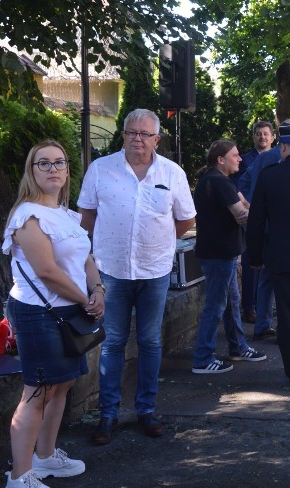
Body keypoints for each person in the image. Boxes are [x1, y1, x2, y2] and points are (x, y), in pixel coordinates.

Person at [78, 108, 196, 444]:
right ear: (123, 135)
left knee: (150, 341)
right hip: (111, 270)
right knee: (113, 342)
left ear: (157, 139)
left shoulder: (172, 173)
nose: (138, 139)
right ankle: (108, 414)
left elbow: (185, 219)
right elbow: (86, 217)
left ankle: (146, 410)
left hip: (154, 270)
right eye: (132, 133)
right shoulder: (101, 169)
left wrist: (159, 240)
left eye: (145, 134)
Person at [2, 141, 104, 487]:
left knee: (62, 385)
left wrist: (98, 289)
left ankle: (45, 458)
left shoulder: (65, 214)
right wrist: (84, 299)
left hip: (68, 311)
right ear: (31, 171)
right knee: (38, 392)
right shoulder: (26, 215)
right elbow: (46, 271)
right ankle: (19, 475)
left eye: (59, 163)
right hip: (37, 313)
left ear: (67, 169)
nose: (53, 169)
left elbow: (86, 258)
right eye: (43, 164)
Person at [247, 123, 290, 390]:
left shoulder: (269, 175)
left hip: (283, 257)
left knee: (289, 316)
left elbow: (256, 221)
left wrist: (255, 256)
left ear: (282, 147)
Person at [191, 140, 266, 375]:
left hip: (223, 253)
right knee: (216, 305)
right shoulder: (217, 182)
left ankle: (238, 347)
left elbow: (243, 204)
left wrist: (247, 206)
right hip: (218, 254)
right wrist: (262, 214)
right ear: (220, 160)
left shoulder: (221, 181)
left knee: (232, 302)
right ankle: (202, 358)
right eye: (235, 155)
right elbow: (242, 214)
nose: (240, 158)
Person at [237, 121, 276, 325]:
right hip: (252, 218)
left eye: (266, 134)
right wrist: (248, 204)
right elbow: (239, 186)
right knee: (251, 263)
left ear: (273, 137)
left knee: (268, 272)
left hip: (273, 220)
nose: (262, 137)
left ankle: (265, 312)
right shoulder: (245, 160)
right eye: (258, 134)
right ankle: (249, 307)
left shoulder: (280, 158)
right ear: (254, 137)